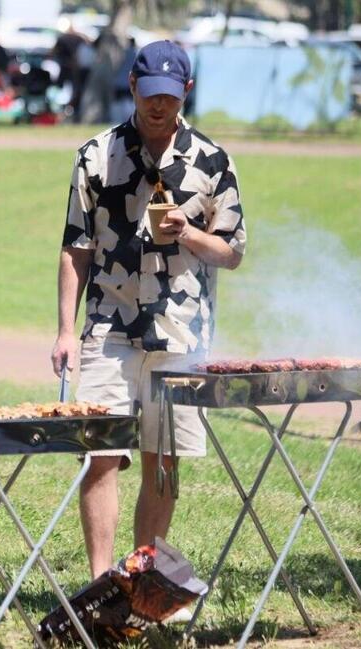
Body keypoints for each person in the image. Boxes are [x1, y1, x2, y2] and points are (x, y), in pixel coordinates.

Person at [50, 40, 246, 581]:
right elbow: (76, 247)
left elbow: (232, 253)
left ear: (186, 92)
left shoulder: (212, 161)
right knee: (101, 455)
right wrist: (65, 330)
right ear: (133, 86)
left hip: (181, 334)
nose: (159, 106)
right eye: (150, 94)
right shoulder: (96, 155)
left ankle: (143, 579)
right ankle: (102, 585)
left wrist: (189, 233)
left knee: (163, 463)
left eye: (170, 96)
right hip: (108, 327)